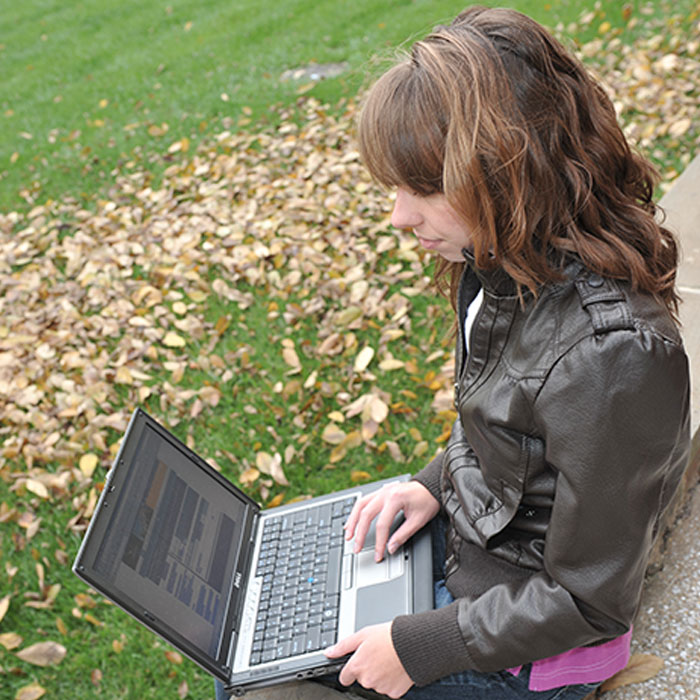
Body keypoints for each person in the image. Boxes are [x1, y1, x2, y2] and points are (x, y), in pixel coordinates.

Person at [317, 5, 691, 700]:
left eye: (423, 188)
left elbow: (590, 601)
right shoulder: (496, 263)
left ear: (510, 171)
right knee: (277, 642)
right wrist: (432, 484)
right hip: (481, 567)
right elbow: (503, 427)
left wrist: (420, 647)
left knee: (273, 686)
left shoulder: (616, 359)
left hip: (534, 652)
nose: (398, 216)